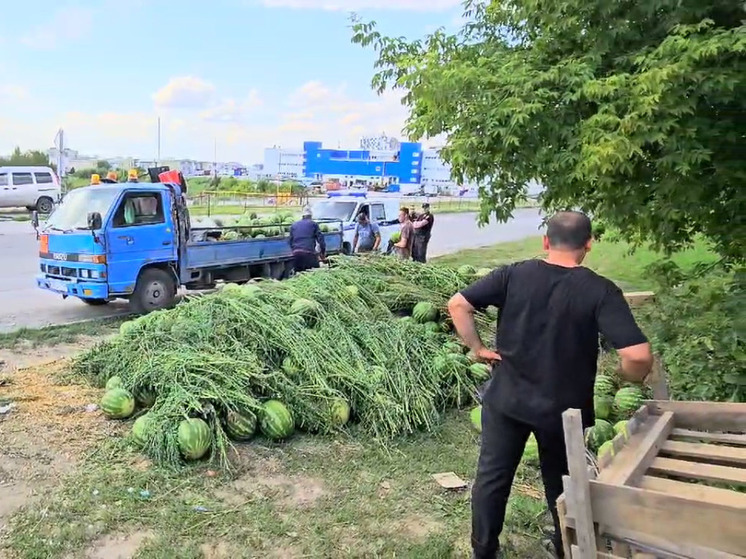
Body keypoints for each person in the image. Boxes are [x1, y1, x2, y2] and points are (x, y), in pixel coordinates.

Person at [447, 211, 653, 559]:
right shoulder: (600, 290)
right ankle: (565, 547)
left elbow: (458, 304)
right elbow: (637, 355)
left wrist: (478, 348)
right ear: (588, 244)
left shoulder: (513, 274)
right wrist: (626, 377)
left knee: (493, 478)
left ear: (546, 241)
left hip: (507, 400)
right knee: (561, 483)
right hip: (563, 410)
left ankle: (483, 551)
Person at [289, 206, 326, 273]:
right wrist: (323, 253)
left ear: (302, 216)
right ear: (311, 216)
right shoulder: (313, 224)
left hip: (296, 254)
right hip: (309, 253)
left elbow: (290, 241)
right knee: (314, 273)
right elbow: (321, 240)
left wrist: (294, 250)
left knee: (299, 274)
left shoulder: (294, 225)